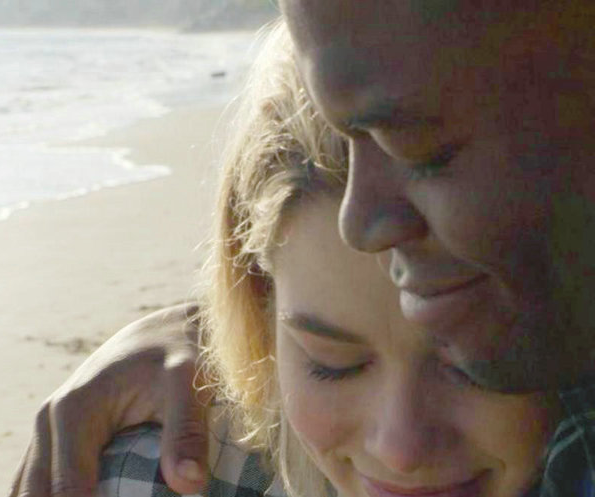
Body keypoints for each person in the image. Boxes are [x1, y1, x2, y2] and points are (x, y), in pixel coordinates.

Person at [96, 18, 561, 496]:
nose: (400, 450)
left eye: (473, 368)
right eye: (332, 364)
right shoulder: (155, 481)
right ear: (262, 310)